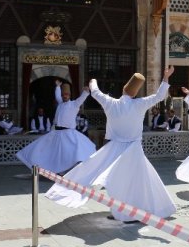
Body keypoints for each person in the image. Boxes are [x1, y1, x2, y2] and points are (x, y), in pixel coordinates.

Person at [45, 67, 177, 223]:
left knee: (114, 180)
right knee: (137, 181)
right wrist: (166, 77)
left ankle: (123, 211)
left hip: (115, 149)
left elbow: (95, 92)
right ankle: (128, 211)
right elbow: (160, 95)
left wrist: (93, 81)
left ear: (123, 90)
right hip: (134, 149)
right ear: (134, 93)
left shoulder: (111, 103)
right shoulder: (139, 104)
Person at [16, 81, 96, 174]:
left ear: (69, 95)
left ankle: (72, 170)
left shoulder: (74, 104)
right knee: (45, 149)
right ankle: (51, 169)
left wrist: (86, 92)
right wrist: (58, 86)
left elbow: (82, 98)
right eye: (63, 95)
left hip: (68, 133)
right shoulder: (60, 103)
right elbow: (57, 96)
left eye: (66, 94)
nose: (64, 96)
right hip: (57, 133)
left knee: (73, 151)